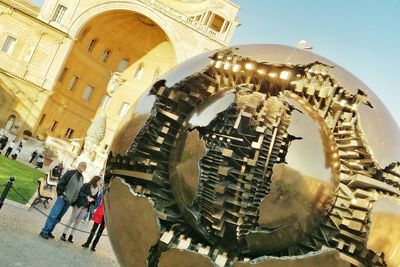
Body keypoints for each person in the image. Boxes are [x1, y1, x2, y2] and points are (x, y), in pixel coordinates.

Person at [39, 162, 87, 239]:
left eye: (85, 166)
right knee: (54, 215)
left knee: (59, 217)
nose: (83, 167)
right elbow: (61, 182)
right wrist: (60, 194)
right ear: (78, 165)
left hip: (69, 201)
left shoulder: (82, 178)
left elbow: (79, 190)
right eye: (82, 165)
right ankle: (44, 231)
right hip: (62, 198)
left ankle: (49, 231)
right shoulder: (71, 173)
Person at [61, 176, 102, 243]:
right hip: (79, 204)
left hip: (86, 207)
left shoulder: (98, 190)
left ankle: (71, 236)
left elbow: (95, 201)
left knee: (77, 222)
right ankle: (64, 234)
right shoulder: (87, 185)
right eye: (99, 181)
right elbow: (80, 193)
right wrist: (87, 197)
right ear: (96, 180)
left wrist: (93, 200)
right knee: (72, 219)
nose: (100, 183)